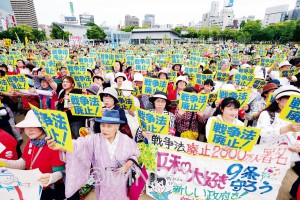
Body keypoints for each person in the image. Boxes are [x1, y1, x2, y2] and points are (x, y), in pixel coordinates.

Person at [47, 110, 140, 199]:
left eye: (109, 126)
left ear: (117, 126)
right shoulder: (94, 139)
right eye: (103, 125)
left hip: (120, 183)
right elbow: (79, 145)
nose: (105, 129)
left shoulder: (127, 141)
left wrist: (127, 166)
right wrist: (62, 145)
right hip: (102, 182)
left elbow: (134, 155)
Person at [0, 110, 66, 200]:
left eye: (34, 126)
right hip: (34, 186)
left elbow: (62, 173)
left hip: (50, 190)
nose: (29, 130)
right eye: (26, 126)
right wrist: (2, 162)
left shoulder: (53, 144)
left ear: (44, 127)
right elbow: (23, 163)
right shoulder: (31, 141)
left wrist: (51, 177)